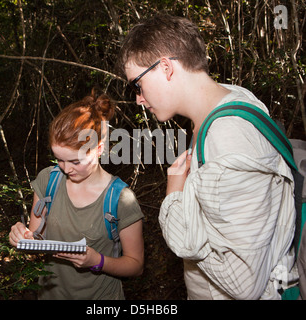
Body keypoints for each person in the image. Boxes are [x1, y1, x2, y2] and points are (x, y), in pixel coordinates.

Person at [117, 13, 297, 299]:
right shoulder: (235, 99)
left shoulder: (227, 138)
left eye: (136, 84)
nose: (138, 98)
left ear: (165, 67)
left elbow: (243, 284)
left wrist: (174, 199)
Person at [9, 91, 144, 300]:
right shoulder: (49, 181)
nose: (66, 169)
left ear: (98, 149)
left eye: (75, 162)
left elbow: (135, 266)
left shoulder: (121, 199)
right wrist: (22, 238)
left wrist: (97, 261)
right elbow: (36, 239)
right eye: (59, 160)